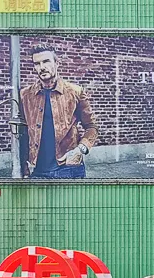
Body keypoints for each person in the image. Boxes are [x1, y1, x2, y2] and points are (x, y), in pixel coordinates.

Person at [19, 43, 98, 179]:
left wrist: (80, 150)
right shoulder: (25, 95)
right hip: (37, 171)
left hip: (68, 168)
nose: (42, 67)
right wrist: (25, 170)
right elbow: (23, 133)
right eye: (37, 63)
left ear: (57, 63)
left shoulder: (75, 92)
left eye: (46, 61)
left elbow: (91, 127)